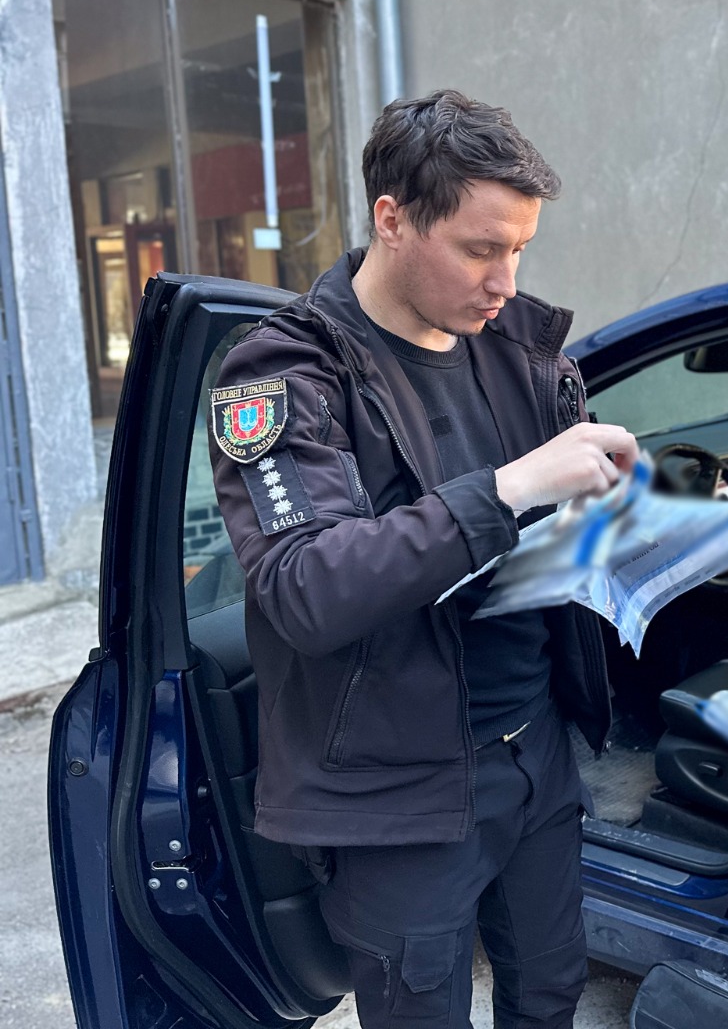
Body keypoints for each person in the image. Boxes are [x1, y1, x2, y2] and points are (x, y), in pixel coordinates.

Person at [209, 90, 638, 1029]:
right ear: (392, 219)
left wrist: (633, 514)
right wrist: (510, 487)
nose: (504, 281)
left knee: (552, 992)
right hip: (395, 792)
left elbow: (556, 534)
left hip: (535, 749)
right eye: (480, 249)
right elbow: (306, 588)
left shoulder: (521, 353)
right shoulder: (284, 373)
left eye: (520, 249)